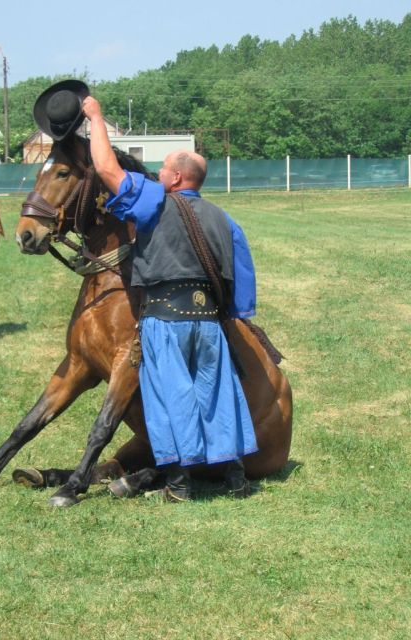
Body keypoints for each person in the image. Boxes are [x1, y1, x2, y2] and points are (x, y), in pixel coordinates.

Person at [81, 95, 259, 502]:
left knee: (169, 397)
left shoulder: (154, 200)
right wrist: (231, 315)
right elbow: (243, 275)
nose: (157, 174)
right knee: (219, 395)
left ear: (176, 178)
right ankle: (236, 479)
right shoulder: (224, 218)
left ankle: (179, 485)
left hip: (165, 321)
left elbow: (106, 168)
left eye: (162, 169)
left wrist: (96, 118)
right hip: (210, 323)